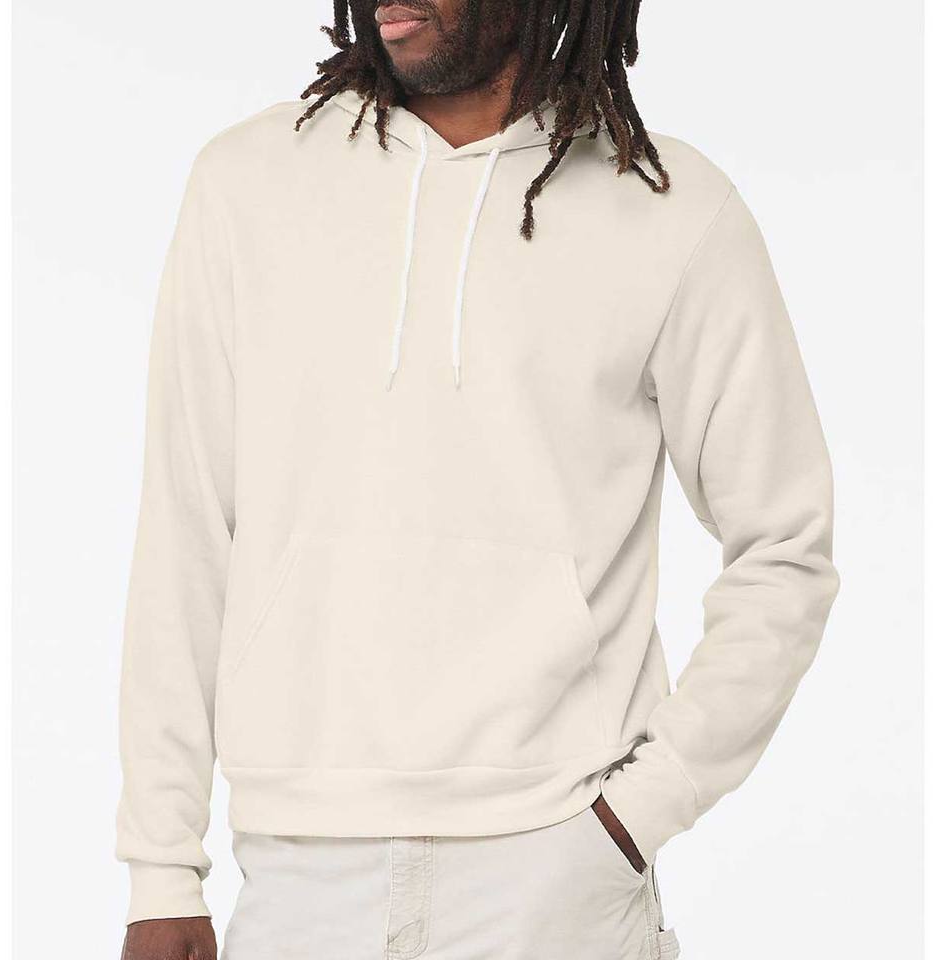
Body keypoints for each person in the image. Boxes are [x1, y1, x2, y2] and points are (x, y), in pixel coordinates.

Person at [117, 1, 840, 958]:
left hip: (558, 877)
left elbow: (785, 546)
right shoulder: (246, 186)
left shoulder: (670, 207)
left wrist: (636, 816)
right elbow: (186, 531)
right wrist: (161, 867)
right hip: (298, 876)